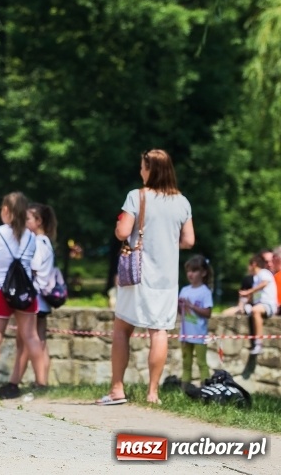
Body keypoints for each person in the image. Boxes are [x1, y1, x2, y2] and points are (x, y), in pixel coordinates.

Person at [98, 149, 193, 406]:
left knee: (122, 328)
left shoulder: (136, 196)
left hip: (136, 275)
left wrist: (121, 228)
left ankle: (117, 389)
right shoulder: (182, 202)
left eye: (143, 166)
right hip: (166, 279)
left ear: (151, 169)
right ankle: (153, 393)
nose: (140, 171)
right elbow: (189, 240)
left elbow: (123, 232)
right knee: (159, 331)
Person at [0, 192, 43, 400]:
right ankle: (41, 383)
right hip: (25, 292)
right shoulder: (32, 236)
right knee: (31, 337)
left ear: (5, 210)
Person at [6, 202, 58, 398]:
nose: (25, 222)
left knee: (30, 342)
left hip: (35, 297)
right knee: (39, 341)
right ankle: (40, 381)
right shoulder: (45, 241)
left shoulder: (38, 242)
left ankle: (36, 382)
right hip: (42, 298)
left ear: (38, 221)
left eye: (28, 219)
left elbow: (32, 265)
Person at [178, 255, 213, 387]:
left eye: (194, 270)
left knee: (201, 363)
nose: (190, 274)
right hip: (185, 334)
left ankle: (206, 389)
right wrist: (179, 305)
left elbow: (208, 313)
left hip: (199, 335)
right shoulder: (184, 290)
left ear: (203, 273)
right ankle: (185, 389)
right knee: (186, 363)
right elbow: (181, 313)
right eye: (188, 271)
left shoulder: (205, 292)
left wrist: (191, 306)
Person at [236, 254, 277, 355]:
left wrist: (248, 292)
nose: (247, 268)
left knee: (255, 310)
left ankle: (259, 343)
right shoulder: (255, 279)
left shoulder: (264, 273)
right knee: (237, 310)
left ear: (254, 264)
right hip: (259, 304)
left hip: (269, 305)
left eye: (249, 265)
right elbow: (255, 296)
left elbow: (264, 284)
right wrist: (244, 301)